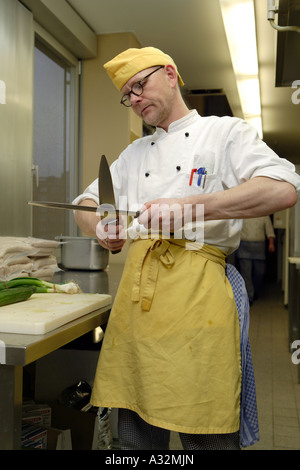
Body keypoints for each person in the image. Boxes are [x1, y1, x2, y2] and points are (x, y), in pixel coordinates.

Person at [73, 47, 300, 450]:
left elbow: (283, 188)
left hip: (199, 302)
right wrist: (101, 227)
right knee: (135, 436)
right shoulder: (134, 154)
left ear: (171, 74)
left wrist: (193, 207)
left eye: (140, 85)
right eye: (128, 94)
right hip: (137, 308)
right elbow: (86, 204)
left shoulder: (225, 133)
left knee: (206, 430)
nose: (135, 98)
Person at [236, 216, 276, 304]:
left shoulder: (264, 215)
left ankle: (254, 291)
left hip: (259, 247)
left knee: (260, 271)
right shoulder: (242, 214)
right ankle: (249, 297)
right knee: (246, 273)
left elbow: (269, 230)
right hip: (244, 246)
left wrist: (271, 243)